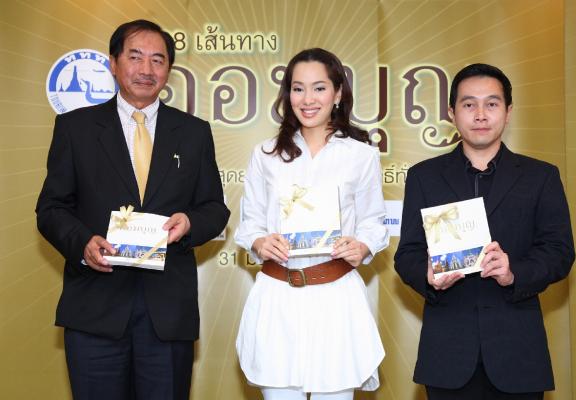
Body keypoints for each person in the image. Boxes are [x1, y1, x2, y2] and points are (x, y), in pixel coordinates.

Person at [36, 19, 229, 400]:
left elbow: (214, 208)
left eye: (158, 60)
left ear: (169, 70)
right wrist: (82, 243)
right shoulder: (75, 128)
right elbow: (52, 207)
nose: (146, 69)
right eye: (135, 57)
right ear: (113, 63)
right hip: (95, 309)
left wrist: (190, 222)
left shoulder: (193, 132)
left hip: (166, 314)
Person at [394, 63, 575, 399]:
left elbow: (560, 252)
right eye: (468, 104)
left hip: (518, 353)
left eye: (491, 104)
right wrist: (428, 276)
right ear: (451, 113)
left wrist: (514, 272)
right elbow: (407, 255)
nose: (480, 114)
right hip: (448, 354)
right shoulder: (424, 176)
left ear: (508, 112)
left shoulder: (541, 176)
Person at [234, 48, 389, 400]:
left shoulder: (361, 155)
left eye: (319, 88)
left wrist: (362, 245)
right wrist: (259, 241)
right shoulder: (266, 154)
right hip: (277, 298)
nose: (308, 99)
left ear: (338, 93)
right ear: (287, 95)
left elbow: (373, 221)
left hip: (336, 299)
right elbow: (250, 221)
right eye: (298, 88)